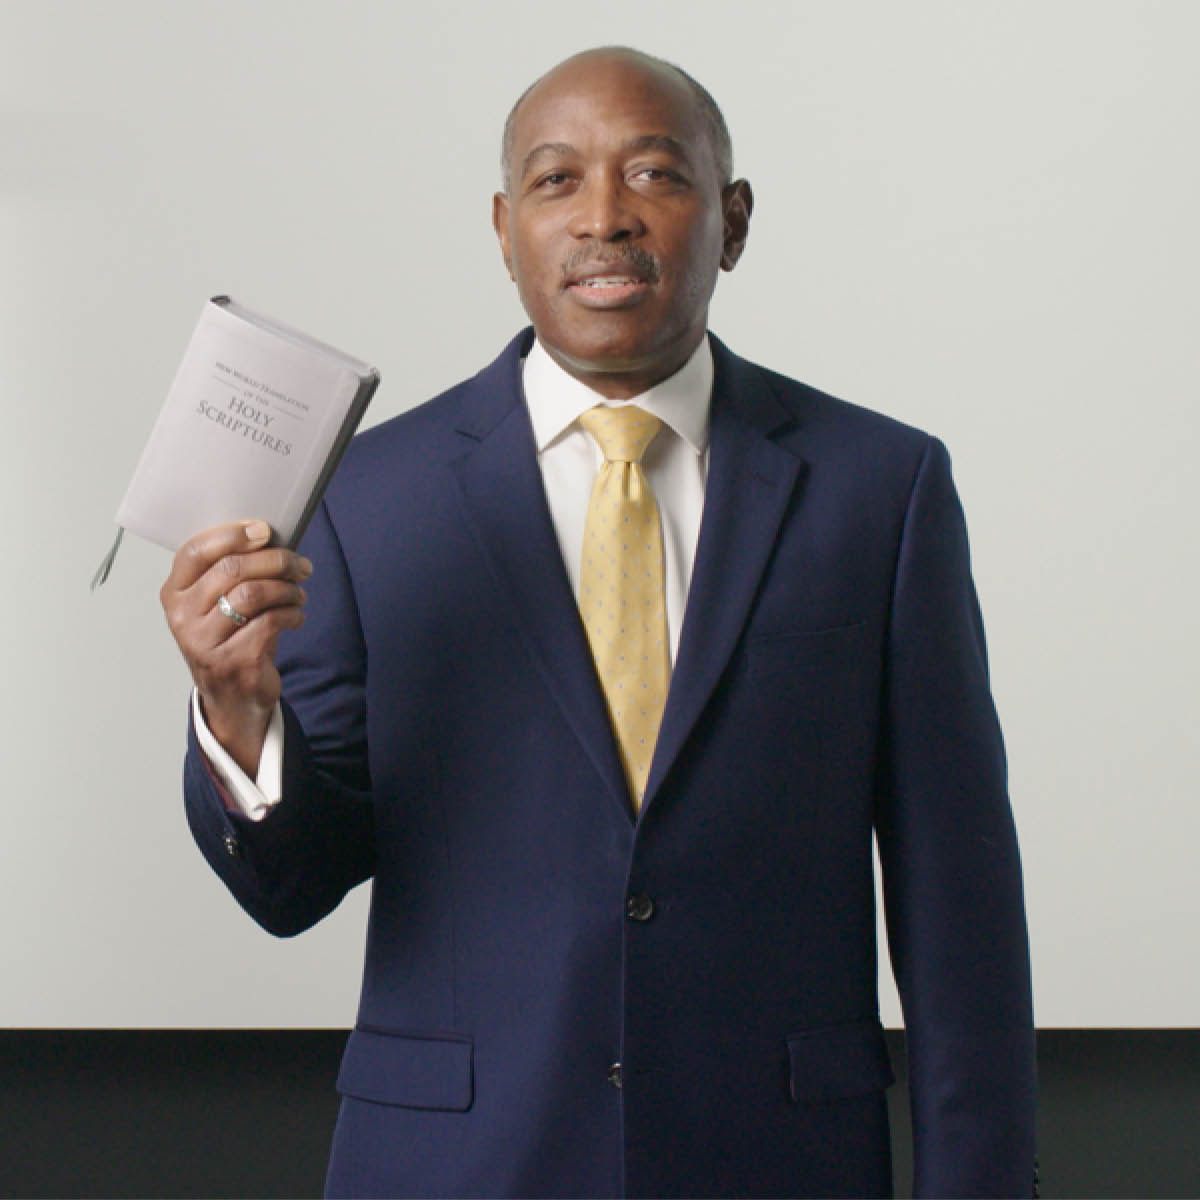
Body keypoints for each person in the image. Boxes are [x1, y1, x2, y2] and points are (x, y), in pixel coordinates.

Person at [161, 46, 1035, 1199]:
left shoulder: (881, 488)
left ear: (733, 220)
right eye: (556, 180)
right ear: (504, 229)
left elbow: (959, 901)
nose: (604, 217)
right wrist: (238, 714)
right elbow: (293, 889)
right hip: (456, 1164)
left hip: (777, 1161)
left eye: (655, 175)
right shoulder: (366, 497)